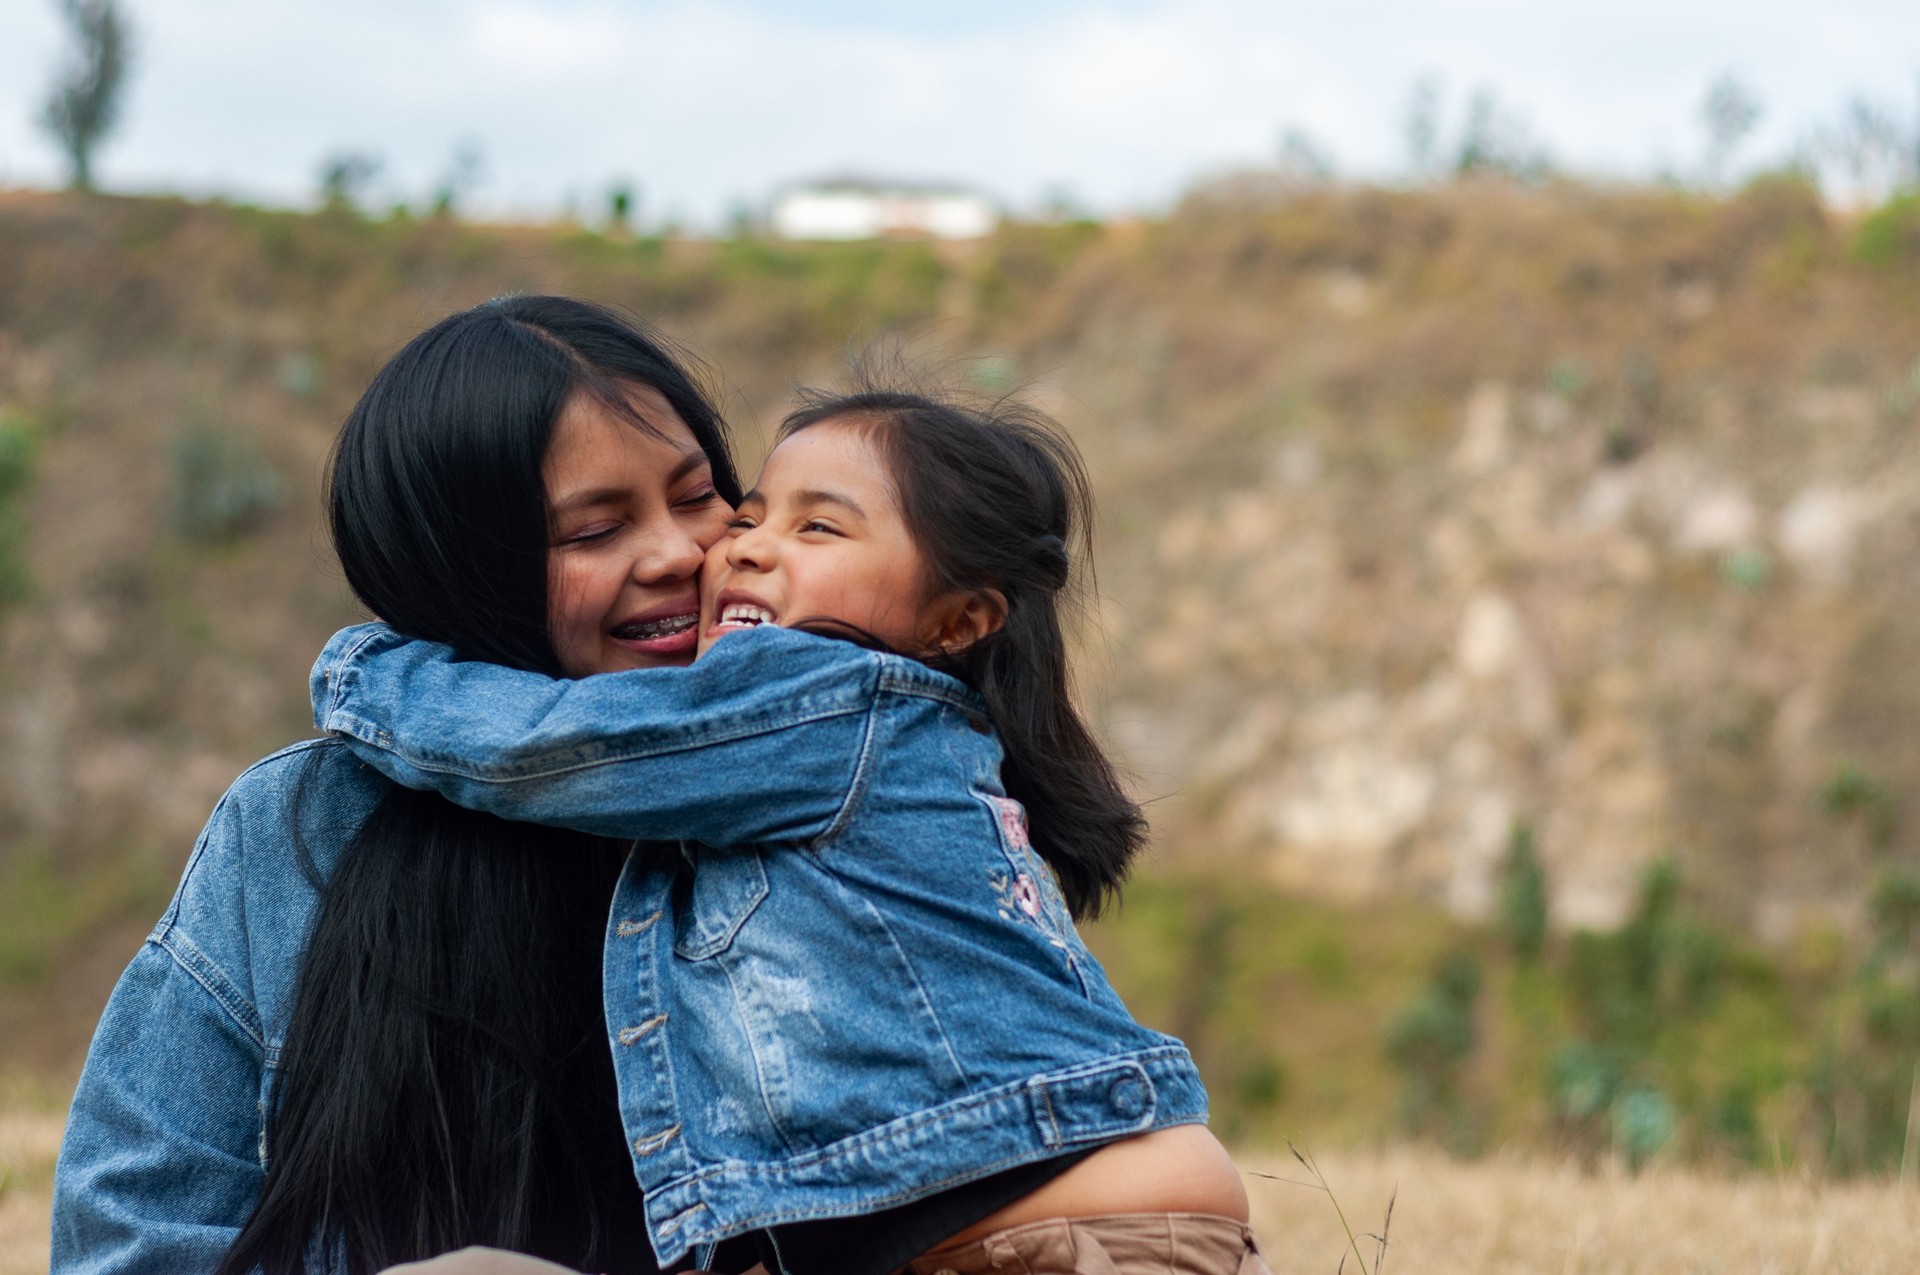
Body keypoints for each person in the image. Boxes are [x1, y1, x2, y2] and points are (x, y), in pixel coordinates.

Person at [312, 385, 1269, 1275]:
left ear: (958, 618)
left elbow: (545, 748)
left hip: (1064, 1233)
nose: (746, 547)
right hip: (1076, 1215)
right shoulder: (914, 736)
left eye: (819, 526)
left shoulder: (824, 701)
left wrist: (367, 671)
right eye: (751, 512)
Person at [51, 295, 760, 1274]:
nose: (681, 552)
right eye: (596, 529)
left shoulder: (837, 795)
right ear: (467, 570)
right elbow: (132, 1241)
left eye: (696, 496)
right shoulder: (299, 832)